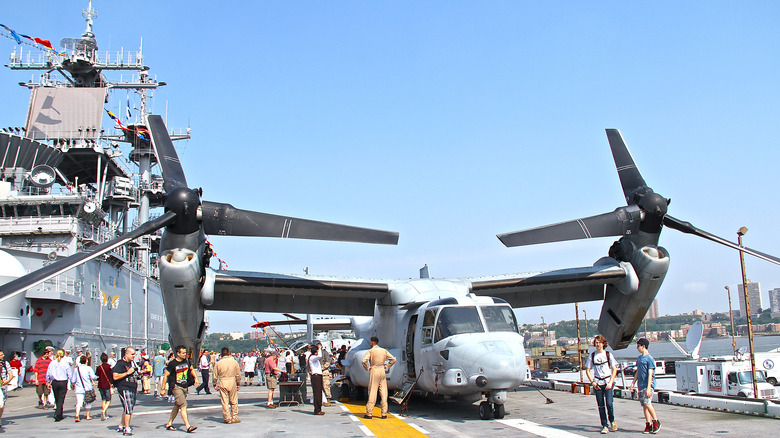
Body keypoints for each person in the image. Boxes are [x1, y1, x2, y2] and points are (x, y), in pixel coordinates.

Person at [585, 335, 619, 434]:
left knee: (609, 403)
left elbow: (614, 369)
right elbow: (587, 370)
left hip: (607, 381)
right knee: (601, 405)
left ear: (603, 344)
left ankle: (612, 420)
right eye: (596, 343)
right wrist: (593, 382)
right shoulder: (592, 356)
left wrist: (611, 382)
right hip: (598, 383)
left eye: (599, 342)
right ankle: (604, 425)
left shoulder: (608, 355)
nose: (598, 344)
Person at [161, 345, 198, 433]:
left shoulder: (187, 361)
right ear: (178, 353)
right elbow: (165, 375)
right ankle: (188, 426)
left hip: (184, 386)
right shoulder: (172, 363)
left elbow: (191, 369)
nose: (185, 354)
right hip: (176, 386)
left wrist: (196, 378)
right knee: (183, 405)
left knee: (177, 406)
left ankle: (169, 423)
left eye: (185, 353)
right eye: (183, 353)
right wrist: (163, 388)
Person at [629, 338, 660, 434]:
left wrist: (648, 387)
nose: (637, 348)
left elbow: (650, 373)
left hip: (648, 385)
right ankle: (648, 423)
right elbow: (638, 371)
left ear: (644, 346)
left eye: (639, 346)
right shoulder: (639, 358)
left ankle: (656, 421)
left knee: (647, 403)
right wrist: (633, 383)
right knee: (644, 405)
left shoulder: (649, 359)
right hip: (640, 384)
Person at [361, 336, 396, 419]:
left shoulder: (371, 351)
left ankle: (369, 413)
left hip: (374, 369)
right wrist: (387, 366)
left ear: (372, 342)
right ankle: (384, 413)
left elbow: (363, 361)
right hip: (382, 370)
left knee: (373, 391)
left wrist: (367, 367)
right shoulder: (383, 350)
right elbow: (393, 359)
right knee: (383, 392)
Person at [112, 346, 138, 436]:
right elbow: (115, 376)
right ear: (126, 354)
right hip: (124, 387)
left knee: (128, 407)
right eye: (132, 354)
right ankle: (127, 428)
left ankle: (121, 425)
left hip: (132, 387)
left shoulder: (131, 363)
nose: (134, 356)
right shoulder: (120, 364)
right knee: (128, 408)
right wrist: (127, 372)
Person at [213, 347, 241, 423]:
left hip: (223, 381)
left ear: (221, 354)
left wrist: (214, 384)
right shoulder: (234, 362)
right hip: (232, 381)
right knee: (234, 400)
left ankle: (227, 418)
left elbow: (215, 375)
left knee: (224, 401)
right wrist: (238, 382)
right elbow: (238, 374)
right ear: (229, 353)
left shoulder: (218, 363)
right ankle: (234, 417)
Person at [46, 349, 72, 422]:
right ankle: (58, 413)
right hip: (63, 381)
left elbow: (49, 373)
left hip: (55, 382)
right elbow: (69, 373)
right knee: (61, 398)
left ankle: (59, 413)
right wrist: (72, 382)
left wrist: (48, 381)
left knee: (57, 397)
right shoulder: (65, 363)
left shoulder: (52, 363)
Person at [70, 355, 97, 422]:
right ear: (86, 361)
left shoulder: (77, 369)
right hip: (87, 388)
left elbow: (73, 380)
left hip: (79, 388)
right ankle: (87, 416)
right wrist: (97, 377)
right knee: (88, 402)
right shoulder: (88, 368)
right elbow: (93, 377)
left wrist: (73, 384)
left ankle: (77, 415)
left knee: (79, 402)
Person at [308, 343, 325, 415]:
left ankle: (319, 408)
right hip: (316, 376)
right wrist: (320, 348)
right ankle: (317, 410)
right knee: (317, 393)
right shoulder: (312, 358)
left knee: (319, 392)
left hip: (318, 376)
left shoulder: (313, 358)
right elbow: (320, 356)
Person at [96, 353, 113, 421]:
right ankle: (104, 411)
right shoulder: (109, 367)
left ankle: (105, 414)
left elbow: (97, 375)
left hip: (100, 385)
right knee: (108, 400)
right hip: (107, 385)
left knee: (103, 399)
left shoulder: (99, 367)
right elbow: (111, 375)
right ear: (107, 359)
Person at [0, 350, 14, 428]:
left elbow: (10, 374)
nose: (3, 356)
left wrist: (7, 381)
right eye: (1, 355)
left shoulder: (5, 363)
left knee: (2, 403)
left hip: (3, 386)